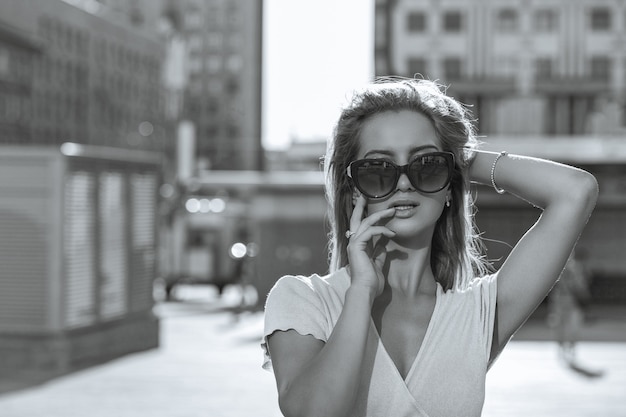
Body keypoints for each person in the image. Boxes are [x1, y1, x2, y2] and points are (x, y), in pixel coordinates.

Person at [261, 77, 598, 417]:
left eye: (426, 166)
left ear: (450, 187)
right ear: (353, 192)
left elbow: (575, 191)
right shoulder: (303, 300)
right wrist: (361, 290)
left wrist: (458, 159)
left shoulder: (478, 315)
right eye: (379, 169)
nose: (405, 183)